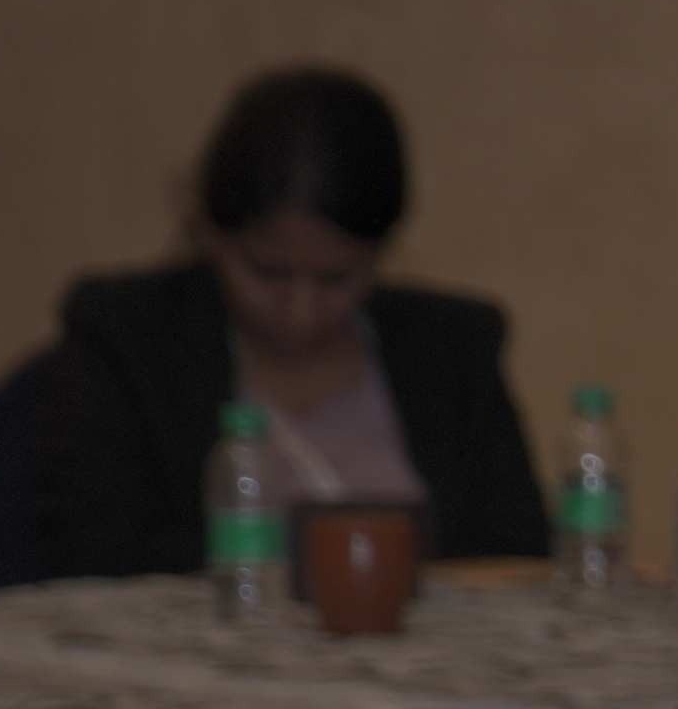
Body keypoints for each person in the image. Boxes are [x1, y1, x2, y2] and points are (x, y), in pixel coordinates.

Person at [40, 69, 547, 580]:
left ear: (381, 252)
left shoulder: (452, 348)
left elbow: (517, 554)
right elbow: (96, 554)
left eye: (336, 278)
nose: (299, 309)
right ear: (211, 235)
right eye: (268, 273)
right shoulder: (129, 339)